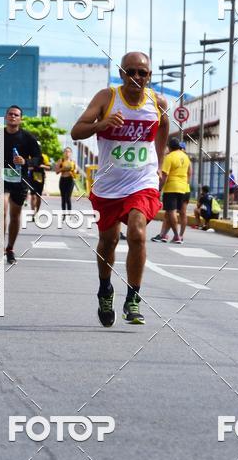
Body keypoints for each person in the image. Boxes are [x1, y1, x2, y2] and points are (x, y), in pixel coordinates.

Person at [71, 51, 169, 326]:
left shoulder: (157, 102)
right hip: (109, 184)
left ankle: (133, 298)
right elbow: (76, 131)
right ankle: (105, 289)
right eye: (131, 72)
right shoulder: (107, 98)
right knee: (109, 240)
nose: (136, 77)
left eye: (143, 73)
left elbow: (164, 127)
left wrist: (159, 165)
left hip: (142, 181)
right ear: (122, 73)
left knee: (137, 232)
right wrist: (102, 124)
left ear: (150, 76)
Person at [3, 105, 41, 264]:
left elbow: (39, 158)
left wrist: (26, 161)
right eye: (10, 114)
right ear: (6, 116)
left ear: (21, 119)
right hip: (0, 179)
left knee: (15, 215)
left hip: (20, 180)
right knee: (0, 210)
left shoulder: (28, 138)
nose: (13, 117)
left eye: (16, 115)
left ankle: (10, 248)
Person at [157, 137, 191, 244]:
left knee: (171, 212)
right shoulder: (186, 157)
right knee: (172, 213)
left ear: (169, 147)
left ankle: (176, 236)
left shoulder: (169, 157)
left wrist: (159, 188)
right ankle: (164, 234)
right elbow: (189, 173)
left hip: (171, 188)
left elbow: (165, 175)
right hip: (183, 188)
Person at [55, 147, 78, 212]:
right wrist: (63, 169)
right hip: (63, 180)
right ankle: (64, 214)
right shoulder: (61, 160)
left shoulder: (73, 162)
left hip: (70, 180)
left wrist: (72, 170)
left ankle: (69, 214)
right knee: (63, 198)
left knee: (68, 198)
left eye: (68, 151)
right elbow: (56, 171)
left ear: (71, 153)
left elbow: (76, 170)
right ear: (63, 153)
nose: (67, 153)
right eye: (65, 151)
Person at [29, 151, 49, 215]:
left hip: (40, 176)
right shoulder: (30, 156)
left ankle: (37, 212)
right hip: (32, 176)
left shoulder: (44, 156)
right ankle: (33, 212)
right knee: (33, 195)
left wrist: (41, 166)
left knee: (38, 196)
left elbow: (49, 167)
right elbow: (27, 166)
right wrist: (33, 166)